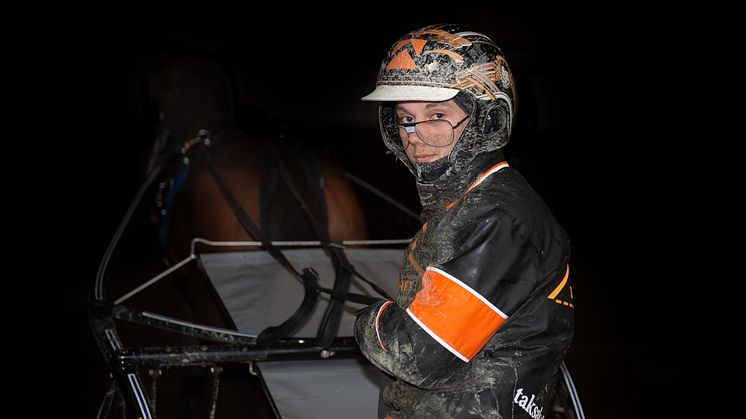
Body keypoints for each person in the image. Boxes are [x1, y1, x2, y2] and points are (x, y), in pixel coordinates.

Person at [354, 24, 574, 418]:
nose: (415, 136)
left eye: (436, 115)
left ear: (485, 121)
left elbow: (416, 357)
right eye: (405, 118)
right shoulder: (466, 204)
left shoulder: (498, 218)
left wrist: (371, 320)